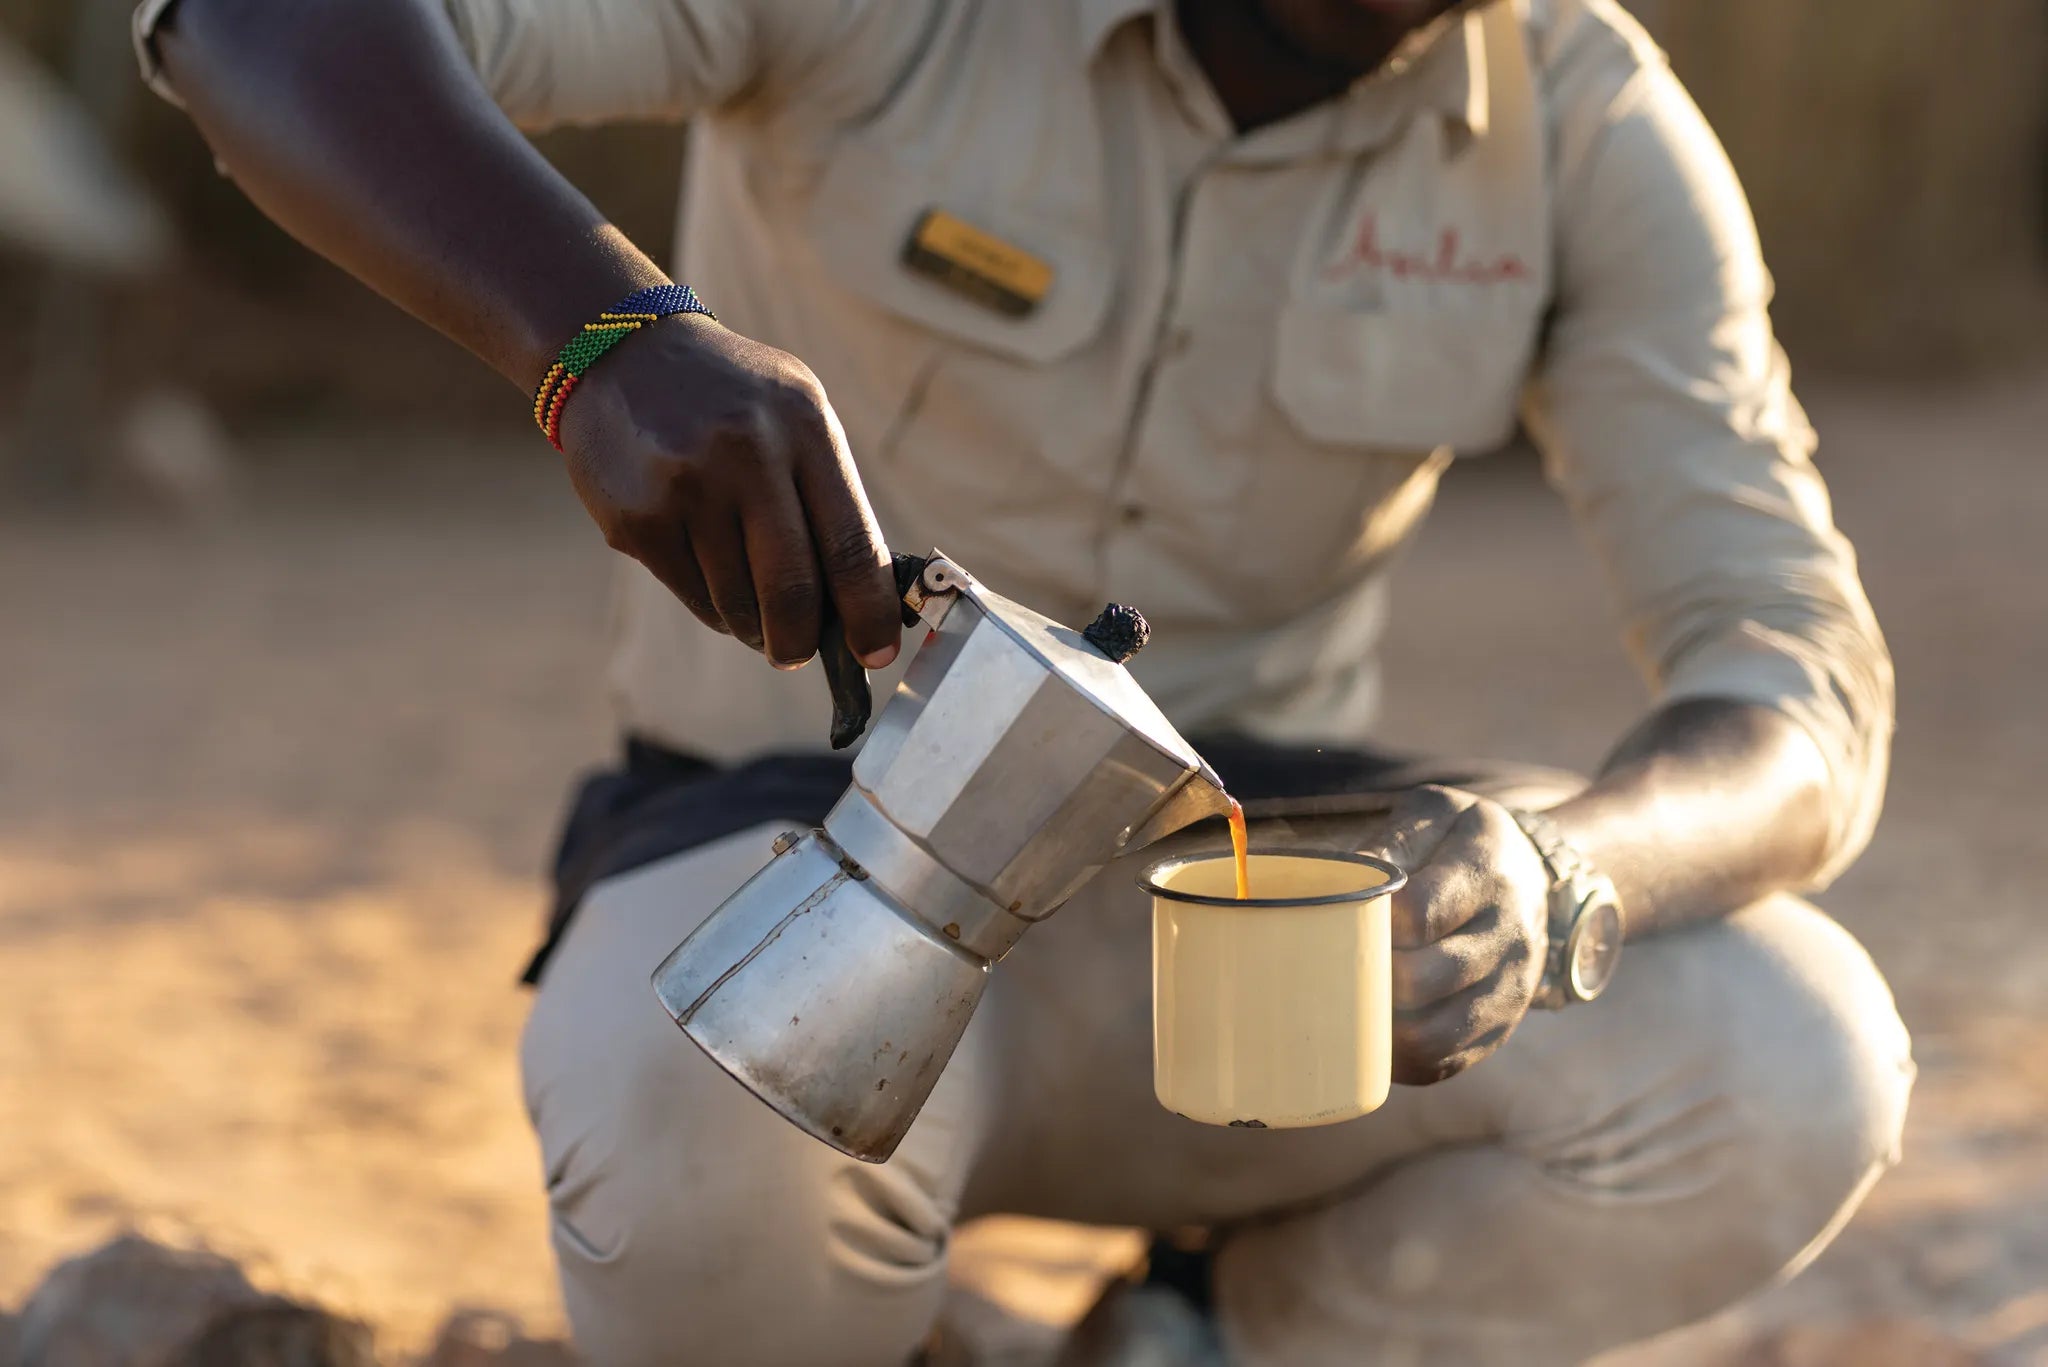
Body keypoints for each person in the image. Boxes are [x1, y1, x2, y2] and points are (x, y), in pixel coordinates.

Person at [133, 0, 1913, 1362]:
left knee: (1794, 1055)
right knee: (698, 1126)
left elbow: (1797, 689)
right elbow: (255, 24)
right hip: (803, 846)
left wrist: (1557, 874)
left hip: (1258, 906)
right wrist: (600, 342)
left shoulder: (1589, 120)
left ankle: (1196, 1338)